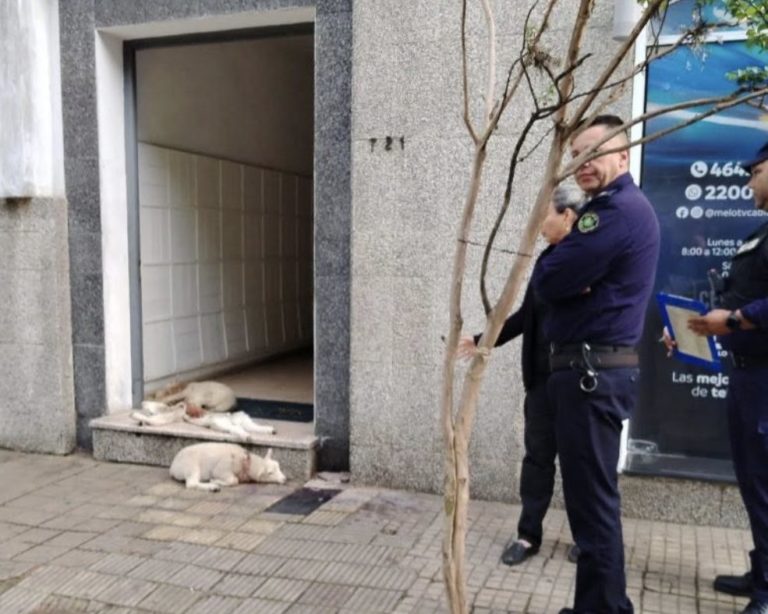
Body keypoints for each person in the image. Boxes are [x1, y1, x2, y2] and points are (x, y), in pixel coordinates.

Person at [531, 115, 660, 614]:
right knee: (590, 505)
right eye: (576, 154)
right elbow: (562, 284)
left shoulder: (613, 213)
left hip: (590, 375)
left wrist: (557, 257)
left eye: (594, 151)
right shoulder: (614, 209)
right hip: (592, 373)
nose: (583, 162)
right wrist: (567, 275)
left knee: (594, 507)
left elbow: (548, 283)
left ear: (623, 156)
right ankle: (599, 606)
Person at [457, 184, 585, 567]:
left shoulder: (589, 257)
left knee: (582, 464)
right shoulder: (548, 259)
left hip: (579, 380)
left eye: (542, 215)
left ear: (567, 215)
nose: (536, 225)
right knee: (537, 461)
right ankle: (529, 535)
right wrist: (483, 339)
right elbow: (526, 317)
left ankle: (588, 538)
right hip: (543, 383)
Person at [684, 141, 768, 614]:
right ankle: (762, 572)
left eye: (755, 171)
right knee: (755, 482)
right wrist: (694, 331)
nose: (748, 180)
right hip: (748, 377)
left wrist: (733, 321)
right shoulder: (761, 232)